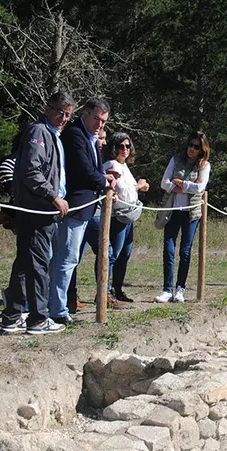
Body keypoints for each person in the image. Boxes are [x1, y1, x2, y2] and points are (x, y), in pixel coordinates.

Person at [1, 92, 74, 335]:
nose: (63, 118)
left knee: (24, 262)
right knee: (39, 264)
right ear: (48, 108)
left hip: (42, 209)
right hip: (37, 209)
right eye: (59, 112)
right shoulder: (39, 132)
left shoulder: (54, 135)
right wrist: (53, 197)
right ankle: (38, 319)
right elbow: (32, 172)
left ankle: (12, 316)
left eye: (67, 115)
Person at [48, 99, 116, 324]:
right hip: (75, 206)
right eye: (96, 118)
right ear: (85, 114)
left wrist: (102, 179)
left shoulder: (91, 137)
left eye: (103, 121)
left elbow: (94, 169)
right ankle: (57, 310)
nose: (99, 125)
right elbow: (84, 170)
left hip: (87, 207)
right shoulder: (75, 134)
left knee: (67, 258)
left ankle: (56, 307)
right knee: (66, 259)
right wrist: (104, 181)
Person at [156, 131, 210, 303]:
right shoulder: (175, 159)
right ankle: (167, 289)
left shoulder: (204, 166)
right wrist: (185, 186)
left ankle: (180, 288)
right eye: (190, 145)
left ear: (202, 150)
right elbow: (164, 182)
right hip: (172, 211)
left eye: (196, 147)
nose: (192, 149)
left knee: (185, 252)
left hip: (191, 213)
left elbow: (200, 188)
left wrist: (179, 183)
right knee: (168, 249)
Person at [102, 132, 149, 302]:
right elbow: (124, 191)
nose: (125, 149)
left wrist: (138, 186)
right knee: (113, 254)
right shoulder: (111, 165)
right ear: (114, 147)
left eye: (127, 146)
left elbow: (130, 191)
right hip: (117, 216)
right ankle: (104, 291)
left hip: (129, 216)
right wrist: (139, 185)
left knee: (125, 254)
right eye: (121, 146)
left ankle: (117, 289)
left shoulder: (124, 167)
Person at [67, 127, 108, 313]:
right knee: (71, 257)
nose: (104, 142)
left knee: (77, 255)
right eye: (102, 138)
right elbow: (87, 173)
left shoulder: (96, 152)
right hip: (82, 209)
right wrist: (105, 181)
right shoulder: (81, 142)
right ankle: (70, 298)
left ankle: (102, 294)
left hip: (92, 211)